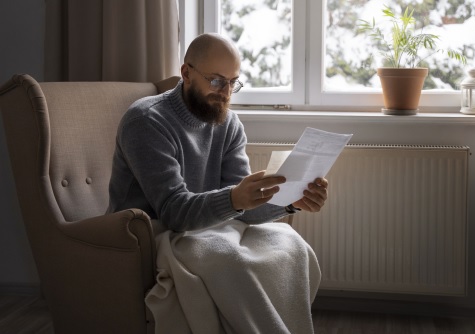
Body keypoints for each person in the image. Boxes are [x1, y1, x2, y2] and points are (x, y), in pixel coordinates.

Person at [107, 33, 328, 333]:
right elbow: (173, 211)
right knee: (229, 259)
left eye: (233, 82)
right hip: (151, 233)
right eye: (215, 81)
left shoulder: (229, 124)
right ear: (186, 73)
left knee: (292, 245)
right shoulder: (146, 121)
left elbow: (242, 209)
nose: (225, 92)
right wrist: (236, 199)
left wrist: (290, 201)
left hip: (210, 227)